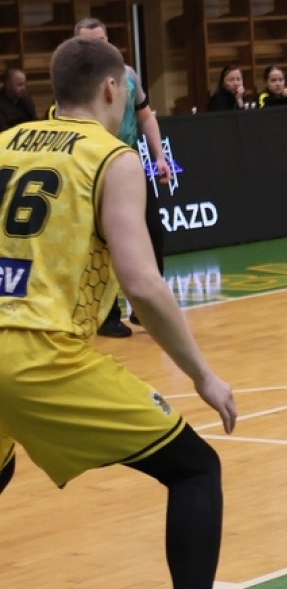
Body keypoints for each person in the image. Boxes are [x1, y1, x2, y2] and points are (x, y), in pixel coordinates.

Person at [0, 36, 237, 587]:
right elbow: (143, 285)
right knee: (196, 468)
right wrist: (203, 375)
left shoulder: (5, 142)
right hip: (38, 351)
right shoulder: (112, 157)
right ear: (112, 88)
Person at [74, 17, 171, 336]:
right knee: (102, 242)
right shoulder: (74, 82)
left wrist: (159, 156)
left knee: (153, 231)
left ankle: (147, 308)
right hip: (92, 166)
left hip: (127, 161)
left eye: (101, 41)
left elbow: (146, 116)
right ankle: (106, 314)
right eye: (88, 42)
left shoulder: (128, 75)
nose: (96, 47)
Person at [0, 68, 36, 132]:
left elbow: (34, 122)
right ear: (8, 85)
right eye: (19, 85)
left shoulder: (26, 100)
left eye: (24, 84)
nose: (23, 88)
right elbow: (3, 130)